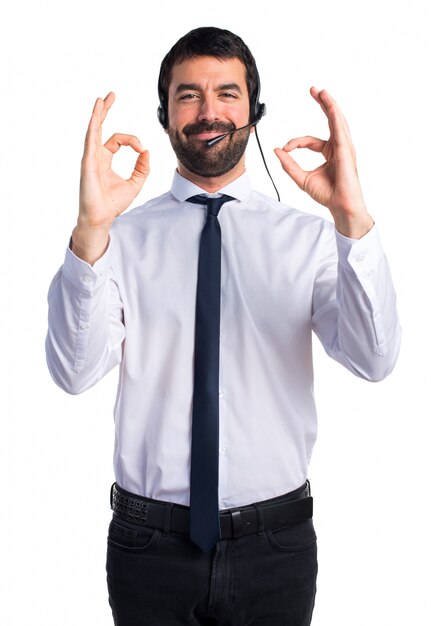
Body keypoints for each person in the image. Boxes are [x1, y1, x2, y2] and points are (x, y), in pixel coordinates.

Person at [46, 26, 401, 626]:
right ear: (165, 116)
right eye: (189, 95)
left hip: (277, 547)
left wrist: (352, 218)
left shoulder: (310, 238)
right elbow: (74, 373)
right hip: (148, 548)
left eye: (228, 93)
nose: (208, 111)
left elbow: (375, 359)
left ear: (254, 113)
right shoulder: (118, 241)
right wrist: (89, 232)